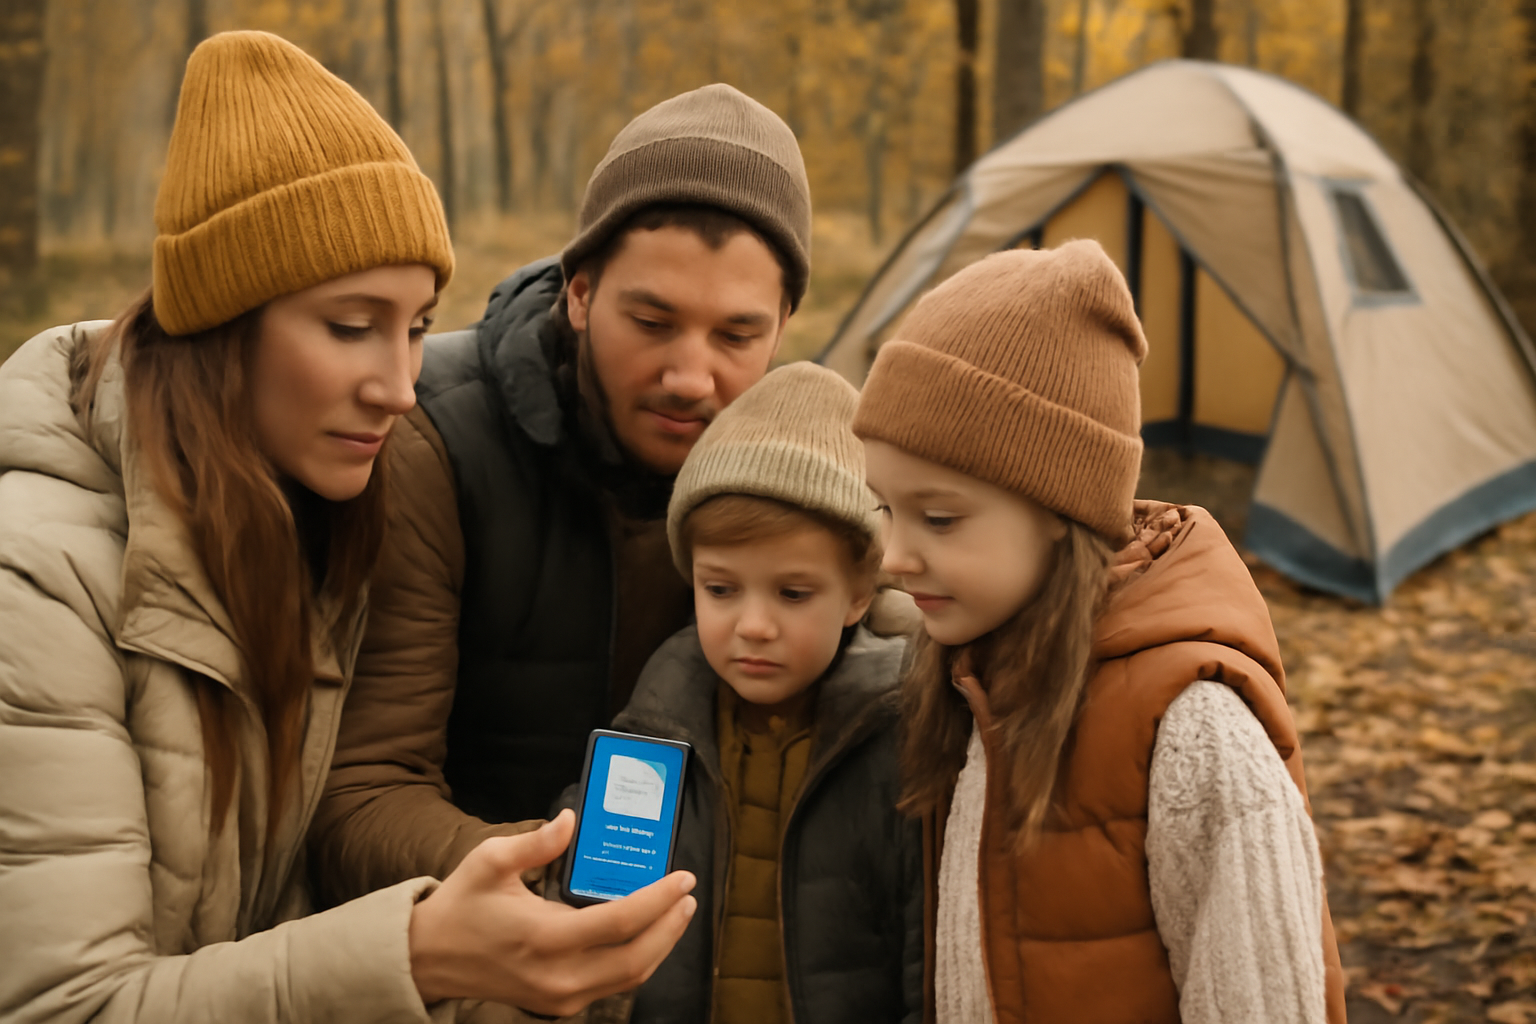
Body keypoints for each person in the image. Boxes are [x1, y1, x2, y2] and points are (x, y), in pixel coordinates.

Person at [0, 31, 692, 1024]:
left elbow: (278, 937)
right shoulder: (37, 581)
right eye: (350, 326)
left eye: (418, 327)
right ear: (222, 322)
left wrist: (520, 970)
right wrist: (418, 951)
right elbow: (65, 1007)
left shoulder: (313, 525)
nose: (402, 387)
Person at [311, 86, 814, 900]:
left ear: (783, 326)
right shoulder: (430, 440)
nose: (691, 378)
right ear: (578, 293)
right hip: (471, 925)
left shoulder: (801, 472)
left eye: (736, 335)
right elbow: (365, 792)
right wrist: (557, 887)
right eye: (652, 323)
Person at [851, 242, 1349, 1024]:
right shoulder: (973, 673)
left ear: (1061, 509)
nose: (893, 556)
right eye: (886, 508)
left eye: (938, 517)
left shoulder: (1196, 738)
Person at [565, 362, 922, 1024]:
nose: (753, 625)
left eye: (793, 593)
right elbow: (590, 911)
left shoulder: (907, 739)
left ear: (858, 594)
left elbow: (927, 959)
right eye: (721, 589)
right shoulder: (652, 724)